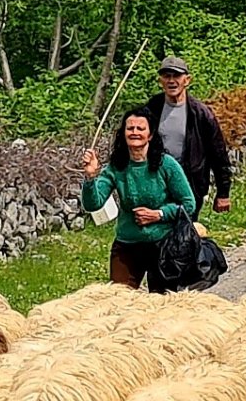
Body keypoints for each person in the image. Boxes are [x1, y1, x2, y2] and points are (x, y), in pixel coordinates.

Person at [83, 110, 194, 289]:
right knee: (119, 297)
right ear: (123, 133)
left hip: (164, 244)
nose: (134, 132)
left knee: (163, 300)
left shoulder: (166, 164)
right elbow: (92, 204)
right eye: (130, 128)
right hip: (127, 245)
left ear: (150, 135)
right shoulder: (116, 167)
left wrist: (159, 214)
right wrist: (90, 178)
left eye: (140, 128)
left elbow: (188, 204)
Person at [126, 54, 230, 215]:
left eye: (176, 76)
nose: (171, 81)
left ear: (187, 80)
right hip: (156, 181)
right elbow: (134, 141)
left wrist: (223, 193)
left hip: (190, 184)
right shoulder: (151, 109)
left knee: (185, 227)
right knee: (156, 225)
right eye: (166, 76)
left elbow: (218, 154)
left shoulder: (201, 114)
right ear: (160, 81)